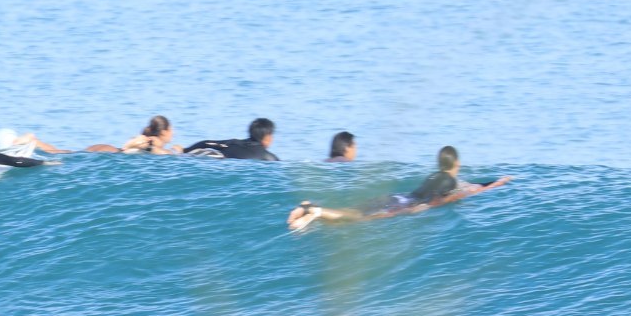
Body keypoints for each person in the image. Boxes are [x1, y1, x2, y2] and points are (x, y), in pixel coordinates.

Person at [287, 145, 510, 231]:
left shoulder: (433, 176)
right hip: (406, 205)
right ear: (457, 164)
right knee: (356, 218)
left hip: (396, 197)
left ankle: (313, 210)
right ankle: (314, 211)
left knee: (353, 213)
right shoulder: (452, 181)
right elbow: (471, 190)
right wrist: (498, 184)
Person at [186, 117, 278, 160]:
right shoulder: (268, 157)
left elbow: (207, 143)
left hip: (209, 155)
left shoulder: (234, 143)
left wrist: (185, 150)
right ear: (267, 137)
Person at [85, 115, 184, 154]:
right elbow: (158, 151)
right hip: (113, 152)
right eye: (172, 129)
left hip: (106, 148)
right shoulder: (155, 141)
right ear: (164, 132)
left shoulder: (146, 138)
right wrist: (177, 152)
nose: (173, 133)